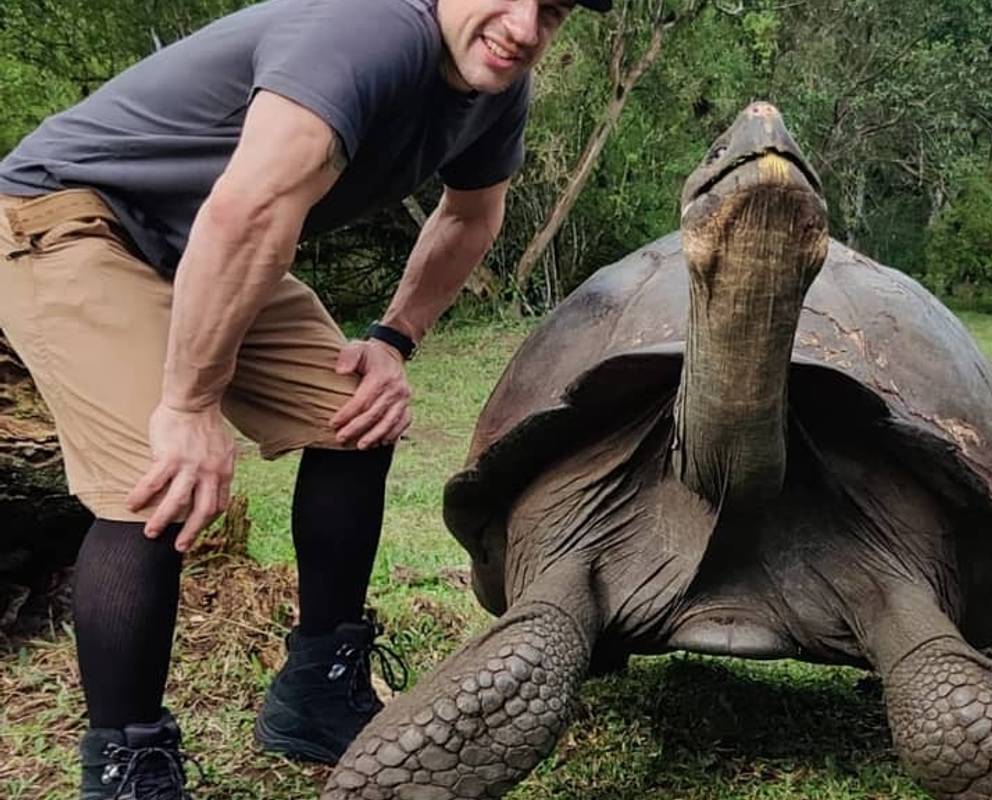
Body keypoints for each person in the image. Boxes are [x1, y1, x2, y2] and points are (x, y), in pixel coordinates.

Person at [0, 0, 611, 796]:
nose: (525, 28)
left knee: (352, 416)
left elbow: (472, 215)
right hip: (75, 218)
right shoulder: (369, 31)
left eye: (553, 10)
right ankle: (125, 762)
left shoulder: (496, 90)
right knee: (155, 478)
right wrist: (187, 406)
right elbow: (250, 212)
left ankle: (317, 690)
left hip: (202, 242)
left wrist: (393, 340)